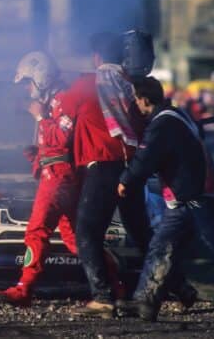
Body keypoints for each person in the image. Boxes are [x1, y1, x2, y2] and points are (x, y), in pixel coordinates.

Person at [116, 77, 214, 322]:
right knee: (161, 247)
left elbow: (146, 157)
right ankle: (146, 303)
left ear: (144, 99)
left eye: (136, 99)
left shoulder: (162, 124)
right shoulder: (176, 115)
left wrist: (125, 179)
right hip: (188, 194)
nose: (135, 105)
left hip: (193, 194)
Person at [72, 32, 196, 318]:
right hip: (131, 166)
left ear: (97, 57)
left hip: (104, 165)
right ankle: (181, 286)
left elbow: (60, 103)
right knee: (141, 233)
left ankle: (102, 296)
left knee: (88, 231)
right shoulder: (132, 85)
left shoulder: (88, 83)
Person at [0, 51, 81, 307]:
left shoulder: (61, 101)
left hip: (59, 176)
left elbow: (61, 140)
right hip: (57, 174)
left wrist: (40, 118)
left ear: (41, 78)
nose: (27, 89)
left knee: (36, 231)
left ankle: (24, 288)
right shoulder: (54, 101)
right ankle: (112, 284)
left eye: (29, 82)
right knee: (76, 238)